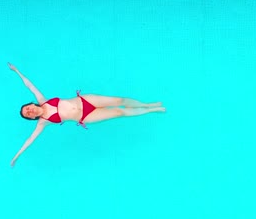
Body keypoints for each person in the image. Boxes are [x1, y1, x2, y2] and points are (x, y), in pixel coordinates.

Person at [8, 62, 165, 166]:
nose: (29, 111)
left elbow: (30, 85)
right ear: (32, 117)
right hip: (85, 117)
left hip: (85, 101)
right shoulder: (43, 122)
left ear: (31, 104)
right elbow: (30, 140)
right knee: (119, 112)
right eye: (28, 114)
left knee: (118, 100)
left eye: (27, 108)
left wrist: (17, 71)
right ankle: (151, 110)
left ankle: (147, 104)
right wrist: (16, 156)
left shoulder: (43, 100)